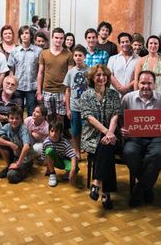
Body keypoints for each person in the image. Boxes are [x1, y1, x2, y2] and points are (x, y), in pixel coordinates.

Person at [121, 70, 161, 207]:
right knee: (129, 152)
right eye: (142, 83)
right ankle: (147, 186)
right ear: (137, 83)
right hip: (134, 137)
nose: (145, 86)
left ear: (155, 84)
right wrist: (121, 128)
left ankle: (140, 188)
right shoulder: (127, 98)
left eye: (149, 83)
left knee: (159, 154)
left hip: (155, 138)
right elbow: (120, 118)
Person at [80, 64, 121, 209]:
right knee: (107, 148)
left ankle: (97, 182)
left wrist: (110, 133)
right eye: (98, 75)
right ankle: (106, 193)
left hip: (111, 133)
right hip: (91, 136)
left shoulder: (114, 95)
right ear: (92, 78)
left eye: (104, 75)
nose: (101, 78)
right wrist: (107, 133)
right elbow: (89, 118)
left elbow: (115, 115)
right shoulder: (86, 96)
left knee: (107, 145)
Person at [36, 27, 74, 123]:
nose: (59, 40)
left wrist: (67, 94)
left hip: (61, 91)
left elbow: (70, 76)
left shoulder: (68, 54)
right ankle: (50, 137)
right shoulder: (44, 53)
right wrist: (39, 92)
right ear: (52, 38)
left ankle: (59, 137)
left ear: (64, 39)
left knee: (60, 118)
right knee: (49, 117)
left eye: (61, 38)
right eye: (56, 38)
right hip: (47, 90)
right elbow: (40, 73)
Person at [0, 106, 35, 183]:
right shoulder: (7, 126)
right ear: (8, 119)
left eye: (17, 118)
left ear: (21, 119)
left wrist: (18, 164)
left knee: (11, 176)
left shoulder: (23, 129)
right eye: (12, 118)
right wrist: (10, 144)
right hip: (16, 154)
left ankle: (24, 167)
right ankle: (9, 166)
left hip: (25, 158)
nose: (14, 120)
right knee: (2, 138)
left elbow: (26, 147)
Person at [7, 25, 41, 116]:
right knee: (17, 112)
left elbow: (40, 71)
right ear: (19, 36)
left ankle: (29, 130)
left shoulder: (38, 51)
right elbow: (11, 71)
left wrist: (39, 87)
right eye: (22, 34)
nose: (24, 35)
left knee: (31, 112)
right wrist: (10, 85)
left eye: (26, 33)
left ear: (31, 35)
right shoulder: (15, 51)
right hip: (18, 87)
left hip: (32, 87)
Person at [63, 44, 89, 157]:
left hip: (87, 107)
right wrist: (68, 108)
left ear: (85, 56)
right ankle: (77, 151)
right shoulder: (70, 72)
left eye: (80, 55)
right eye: (76, 55)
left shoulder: (90, 71)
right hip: (74, 107)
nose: (78, 57)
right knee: (75, 131)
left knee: (88, 131)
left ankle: (89, 152)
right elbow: (67, 90)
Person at [43, 121, 79, 187]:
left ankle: (69, 172)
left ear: (60, 133)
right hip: (57, 160)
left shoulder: (64, 143)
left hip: (65, 160)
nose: (54, 133)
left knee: (74, 166)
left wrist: (73, 170)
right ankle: (52, 174)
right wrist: (48, 167)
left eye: (56, 131)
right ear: (49, 132)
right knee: (48, 150)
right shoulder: (46, 142)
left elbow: (73, 156)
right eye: (52, 131)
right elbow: (44, 155)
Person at [107, 32, 138, 97]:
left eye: (127, 41)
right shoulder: (112, 59)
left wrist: (126, 88)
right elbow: (110, 75)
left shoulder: (138, 59)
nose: (125, 44)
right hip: (114, 94)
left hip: (131, 95)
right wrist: (120, 88)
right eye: (122, 42)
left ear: (131, 43)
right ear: (119, 44)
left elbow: (138, 77)